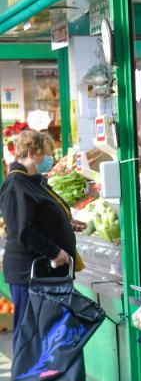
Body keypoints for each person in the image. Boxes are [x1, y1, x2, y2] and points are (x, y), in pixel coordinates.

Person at [0, 130, 84, 353]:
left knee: (44, 329)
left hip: (44, 272)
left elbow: (38, 217)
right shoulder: (16, 183)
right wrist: (54, 252)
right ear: (30, 153)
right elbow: (22, 230)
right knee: (29, 330)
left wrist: (65, 223)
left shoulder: (31, 181)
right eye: (44, 154)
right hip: (29, 272)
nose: (48, 160)